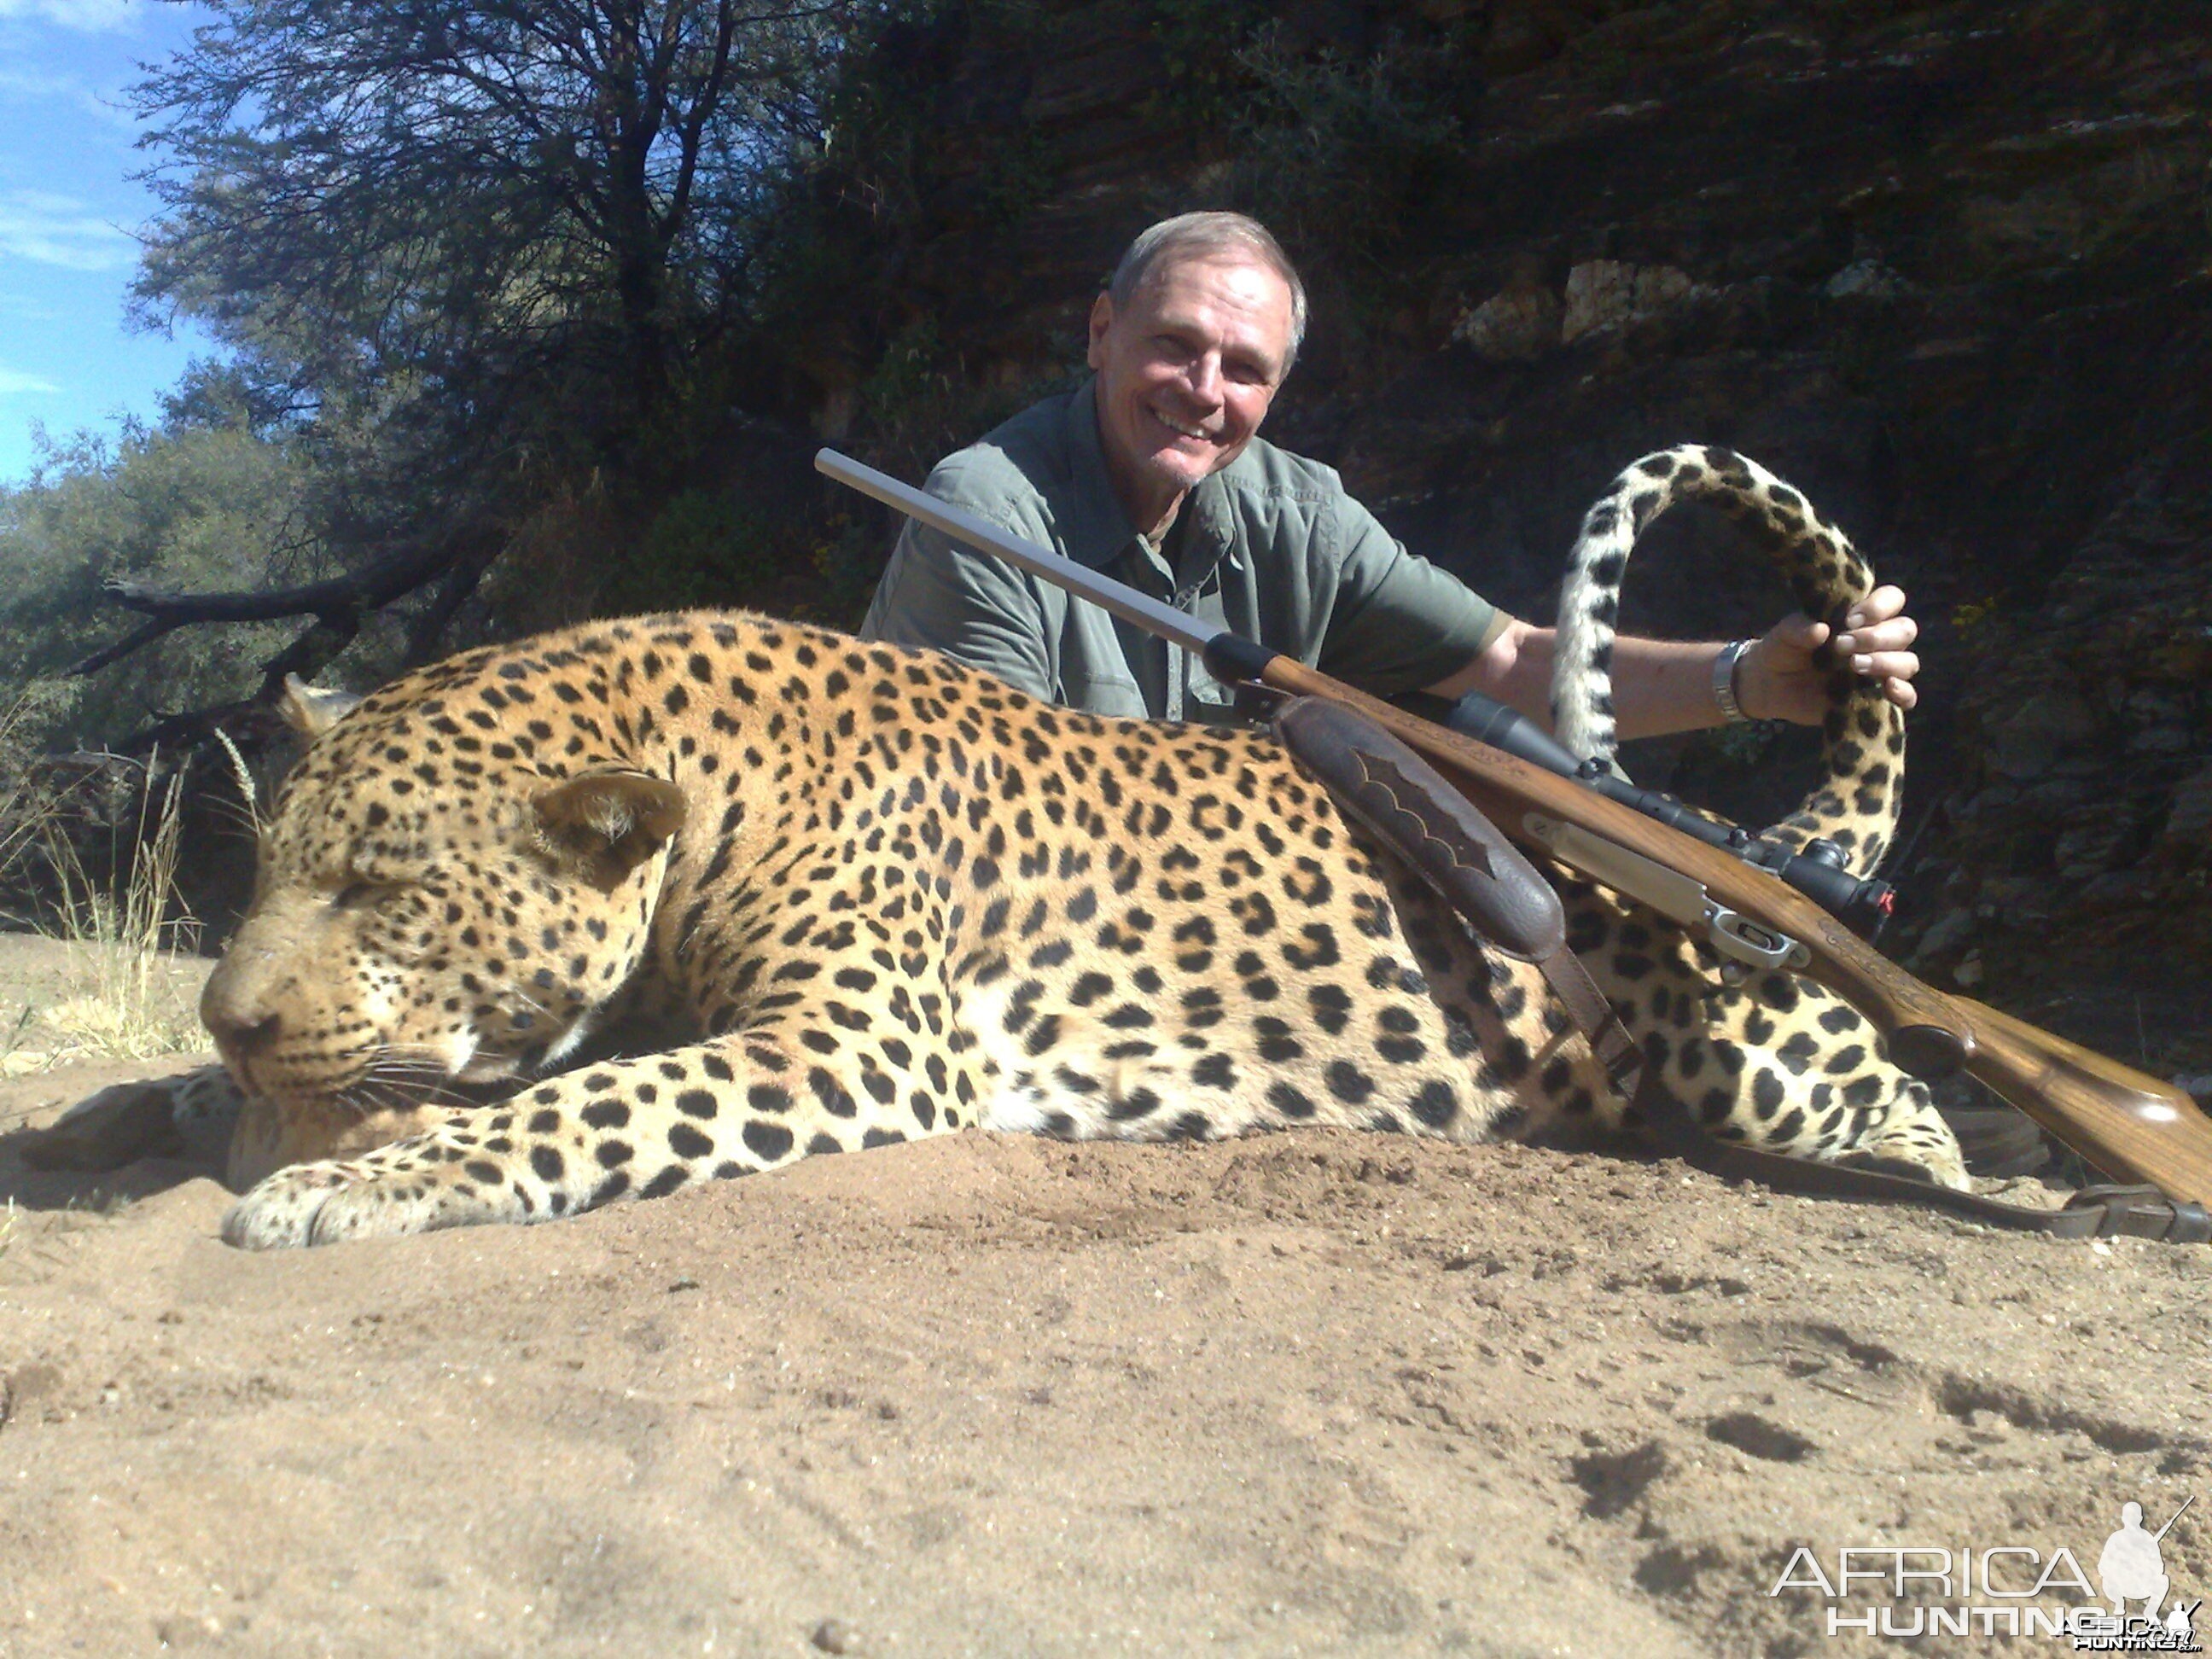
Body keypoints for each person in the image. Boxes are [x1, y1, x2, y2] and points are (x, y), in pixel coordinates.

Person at [860, 212, 1919, 737]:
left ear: (1275, 390)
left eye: (1245, 370)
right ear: (1100, 332)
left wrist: (1744, 679)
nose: (1204, 389)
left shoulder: (1300, 513)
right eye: (1174, 345)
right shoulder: (982, 509)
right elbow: (985, 816)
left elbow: (1504, 656)